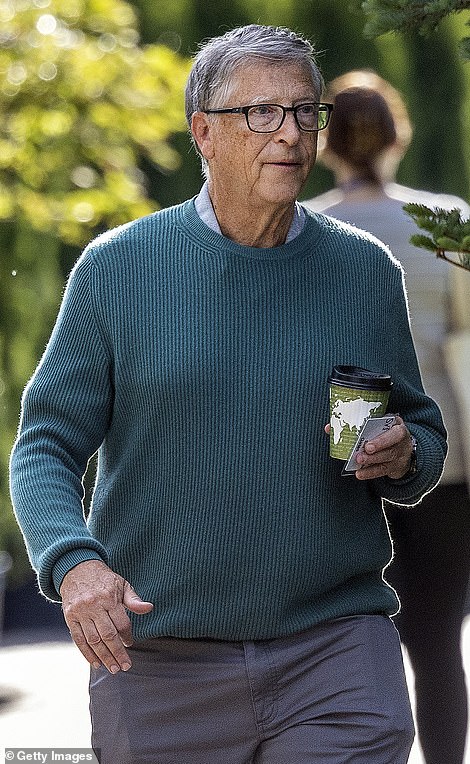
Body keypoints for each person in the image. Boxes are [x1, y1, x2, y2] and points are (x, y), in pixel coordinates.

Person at [9, 26, 447, 764]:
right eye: (262, 114)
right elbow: (45, 443)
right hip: (158, 666)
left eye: (306, 112)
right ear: (204, 133)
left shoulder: (362, 270)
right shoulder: (120, 269)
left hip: (335, 649)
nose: (291, 134)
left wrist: (403, 453)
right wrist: (73, 562)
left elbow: (420, 437)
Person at [305, 70, 470, 764]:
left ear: (324, 143)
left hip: (344, 460)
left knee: (350, 646)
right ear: (399, 136)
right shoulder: (446, 221)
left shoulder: (304, 227)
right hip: (448, 460)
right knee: (438, 648)